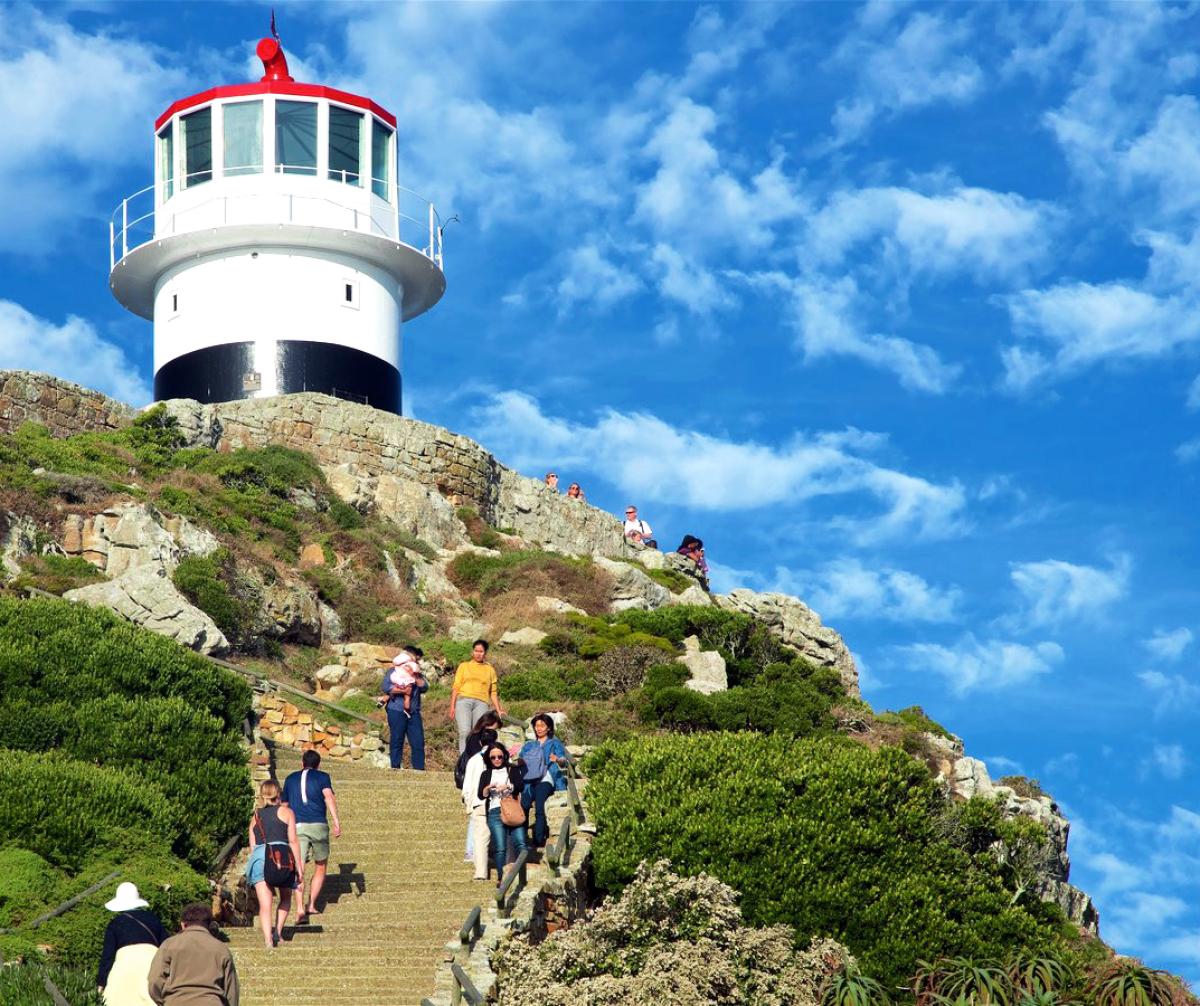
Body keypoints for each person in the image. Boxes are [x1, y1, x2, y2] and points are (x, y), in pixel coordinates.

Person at [281, 749, 341, 925]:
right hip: (318, 825)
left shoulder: (290, 778)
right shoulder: (323, 777)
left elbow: (284, 805)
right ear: (318, 764)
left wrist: (283, 827)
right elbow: (328, 797)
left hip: (297, 826)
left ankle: (299, 908)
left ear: (302, 762)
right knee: (320, 865)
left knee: (299, 867)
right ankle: (312, 905)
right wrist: (336, 821)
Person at [243, 779, 301, 949]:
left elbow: (253, 844)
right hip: (281, 857)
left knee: (265, 904)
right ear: (279, 793)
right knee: (285, 897)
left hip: (260, 857)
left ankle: (268, 940)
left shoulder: (255, 816)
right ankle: (278, 933)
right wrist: (299, 867)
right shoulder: (287, 812)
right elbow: (293, 840)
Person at [148, 902, 239, 1006]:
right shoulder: (221, 949)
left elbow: (154, 981)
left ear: (183, 924)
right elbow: (232, 991)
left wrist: (164, 1002)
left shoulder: (169, 945)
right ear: (209, 925)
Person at [97, 882, 166, 1005]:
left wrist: (101, 981)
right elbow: (166, 946)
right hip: (151, 966)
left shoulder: (115, 923)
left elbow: (107, 956)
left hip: (124, 968)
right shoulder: (154, 919)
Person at [477, 743, 528, 887]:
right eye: (493, 757)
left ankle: (523, 874)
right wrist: (488, 788)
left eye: (499, 756)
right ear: (488, 759)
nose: (497, 760)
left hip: (512, 808)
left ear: (504, 756)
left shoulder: (512, 769)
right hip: (494, 811)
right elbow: (481, 795)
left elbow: (520, 786)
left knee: (520, 842)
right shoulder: (486, 774)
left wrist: (508, 786)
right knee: (500, 847)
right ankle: (502, 877)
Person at [518, 713, 569, 849]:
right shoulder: (529, 745)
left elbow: (564, 761)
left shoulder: (554, 743)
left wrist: (557, 759)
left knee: (539, 807)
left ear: (548, 728)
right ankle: (522, 841)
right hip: (529, 780)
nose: (539, 728)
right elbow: (520, 759)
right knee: (524, 806)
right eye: (536, 725)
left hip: (545, 779)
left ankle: (538, 840)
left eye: (542, 725)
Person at [458, 712, 502, 864]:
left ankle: (475, 851)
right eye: (494, 728)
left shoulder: (473, 738)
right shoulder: (478, 744)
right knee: (478, 822)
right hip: (479, 788)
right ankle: (471, 851)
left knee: (478, 822)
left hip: (477, 788)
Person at [449, 640, 504, 753]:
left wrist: (498, 709)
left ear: (485, 653)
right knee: (464, 732)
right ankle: (464, 759)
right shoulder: (464, 666)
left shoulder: (490, 670)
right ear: (472, 652)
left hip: (481, 703)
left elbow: (493, 692)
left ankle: (476, 758)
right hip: (464, 701)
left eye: (481, 651)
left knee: (478, 733)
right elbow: (456, 687)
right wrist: (452, 707)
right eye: (476, 651)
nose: (478, 654)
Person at [379, 645, 429, 770]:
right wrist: (403, 691)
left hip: (414, 712)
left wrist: (415, 676)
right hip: (396, 709)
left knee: (418, 741)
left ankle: (419, 769)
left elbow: (424, 687)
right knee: (397, 739)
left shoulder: (417, 673)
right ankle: (395, 767)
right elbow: (386, 687)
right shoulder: (393, 671)